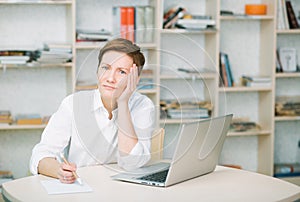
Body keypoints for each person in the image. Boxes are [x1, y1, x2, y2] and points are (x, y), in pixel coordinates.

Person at [30, 38, 155, 184]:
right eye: (105, 68)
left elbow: (132, 164)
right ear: (97, 71)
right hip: (81, 186)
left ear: (135, 79)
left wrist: (123, 104)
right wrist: (59, 170)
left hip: (122, 189)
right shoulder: (73, 104)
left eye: (121, 72)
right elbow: (40, 154)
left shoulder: (143, 106)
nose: (110, 78)